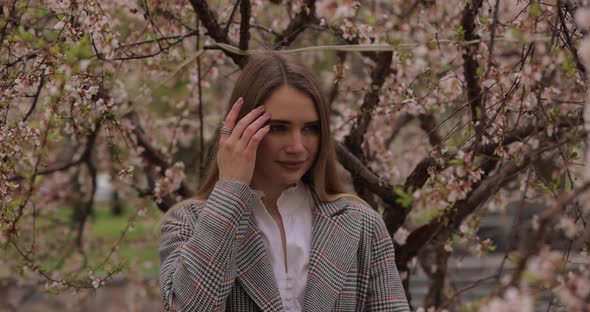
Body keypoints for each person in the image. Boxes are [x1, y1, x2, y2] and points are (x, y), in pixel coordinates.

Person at [159, 53, 410, 312]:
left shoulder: (360, 224)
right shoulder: (187, 223)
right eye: (279, 127)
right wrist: (230, 188)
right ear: (241, 130)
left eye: (310, 129)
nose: (297, 147)